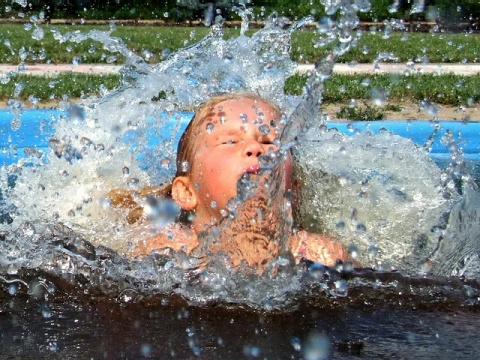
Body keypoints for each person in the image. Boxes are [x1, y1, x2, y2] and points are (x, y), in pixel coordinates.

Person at [108, 93, 351, 272]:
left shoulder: (317, 251)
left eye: (268, 141)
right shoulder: (167, 247)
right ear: (186, 192)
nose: (255, 148)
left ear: (293, 190)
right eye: (230, 142)